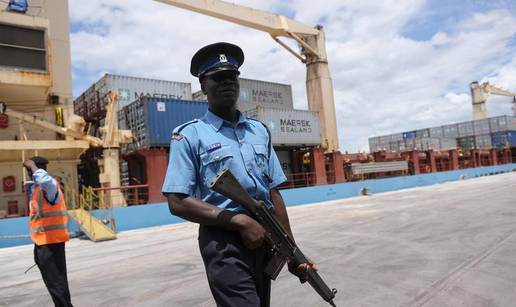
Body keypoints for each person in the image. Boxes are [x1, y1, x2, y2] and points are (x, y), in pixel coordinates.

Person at [162, 42, 316, 307]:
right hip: (223, 243)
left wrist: (292, 251)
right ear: (203, 86)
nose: (227, 83)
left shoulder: (258, 131)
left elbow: (274, 193)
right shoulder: (189, 135)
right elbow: (177, 201)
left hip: (265, 237)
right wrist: (241, 223)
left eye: (232, 77)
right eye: (218, 78)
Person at [24, 156, 73, 307]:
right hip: (43, 242)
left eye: (28, 170)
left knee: (56, 283)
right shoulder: (37, 189)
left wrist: (33, 167)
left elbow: (46, 181)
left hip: (51, 243)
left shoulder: (49, 186)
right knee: (54, 282)